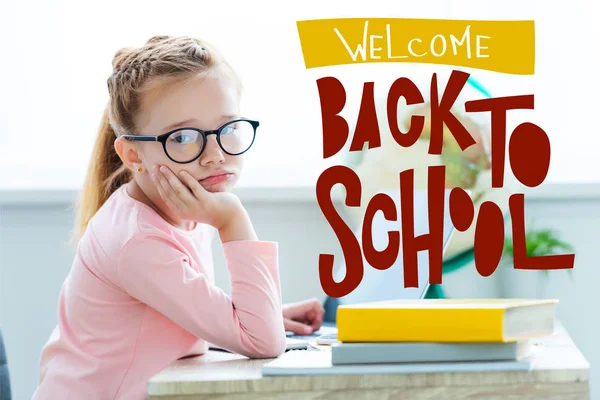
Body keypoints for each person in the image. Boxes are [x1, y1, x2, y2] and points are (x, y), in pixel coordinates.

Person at [32, 35, 325, 400]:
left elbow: (169, 317)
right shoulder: (137, 240)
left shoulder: (183, 208)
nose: (215, 154)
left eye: (229, 128)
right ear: (132, 154)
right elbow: (262, 343)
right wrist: (233, 219)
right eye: (184, 136)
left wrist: (257, 313)